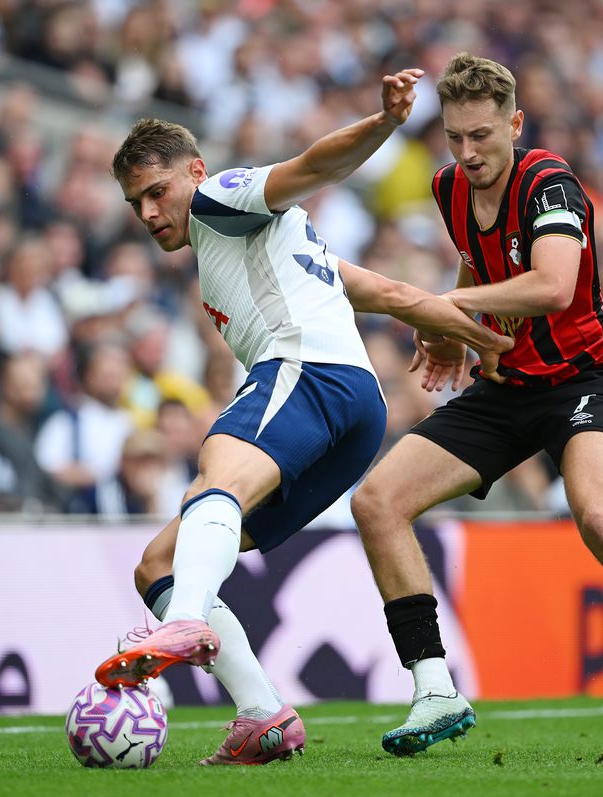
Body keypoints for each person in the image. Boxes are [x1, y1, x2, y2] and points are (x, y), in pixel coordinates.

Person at [92, 68, 512, 766]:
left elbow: (314, 166)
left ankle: (187, 619)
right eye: (137, 202)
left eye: (157, 191)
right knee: (159, 564)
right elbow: (392, 293)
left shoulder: (221, 198)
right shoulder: (273, 243)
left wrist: (384, 123)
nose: (148, 212)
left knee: (216, 476)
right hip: (356, 413)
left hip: (306, 374)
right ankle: (263, 714)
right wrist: (485, 340)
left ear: (194, 171)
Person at [349, 54, 603, 755]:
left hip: (585, 379)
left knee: (598, 518)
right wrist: (455, 330)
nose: (467, 153)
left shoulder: (549, 182)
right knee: (377, 502)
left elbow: (553, 286)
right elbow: (475, 261)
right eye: (455, 137)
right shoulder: (449, 186)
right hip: (507, 384)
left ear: (515, 124)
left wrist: (444, 306)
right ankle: (435, 690)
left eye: (481, 136)